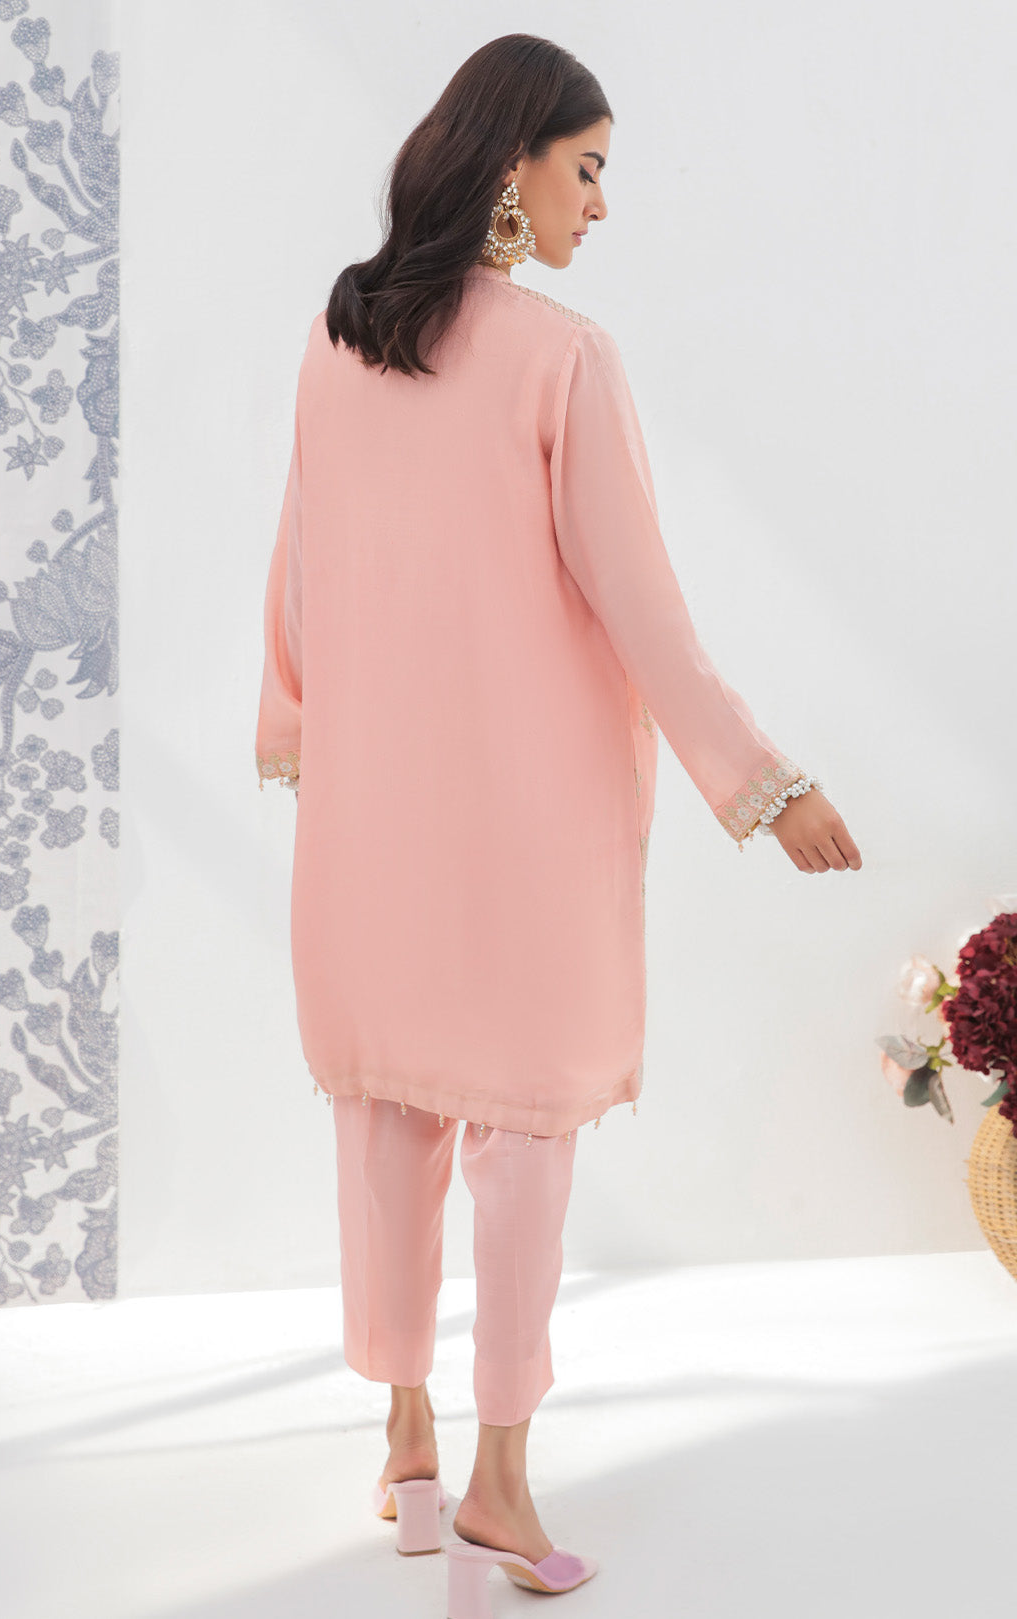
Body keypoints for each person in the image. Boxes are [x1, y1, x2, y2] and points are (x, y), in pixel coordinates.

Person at [254, 31, 862, 1606]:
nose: (602, 203)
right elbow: (641, 602)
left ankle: (408, 1450)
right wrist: (765, 784)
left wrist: (296, 732)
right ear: (512, 167)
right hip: (521, 837)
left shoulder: (337, 338)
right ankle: (500, 1485)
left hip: (370, 829)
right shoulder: (561, 359)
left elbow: (300, 572)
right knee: (522, 1137)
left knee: (386, 1119)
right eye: (588, 169)